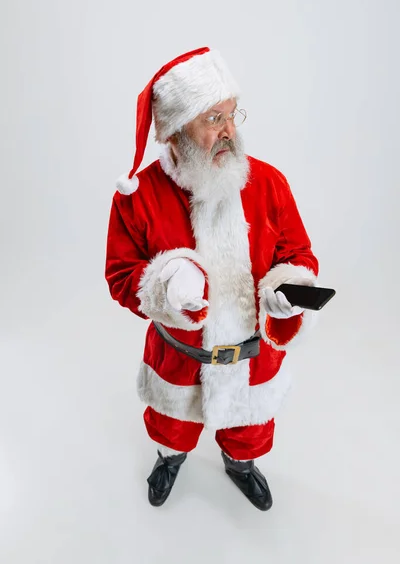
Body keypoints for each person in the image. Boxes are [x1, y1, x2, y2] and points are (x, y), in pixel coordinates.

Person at [105, 47, 319, 511]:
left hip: (251, 357)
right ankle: (170, 459)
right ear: (178, 131)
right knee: (172, 425)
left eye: (231, 114)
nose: (229, 131)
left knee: (250, 428)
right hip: (179, 355)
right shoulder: (137, 198)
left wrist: (287, 288)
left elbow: (298, 253)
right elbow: (121, 275)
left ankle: (240, 464)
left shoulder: (269, 183)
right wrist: (165, 284)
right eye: (212, 119)